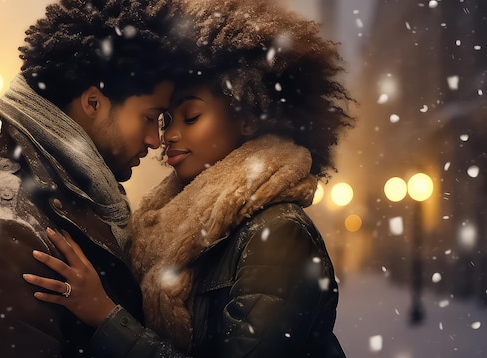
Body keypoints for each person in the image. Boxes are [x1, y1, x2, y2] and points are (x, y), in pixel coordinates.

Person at [23, 0, 355, 356]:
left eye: (191, 116)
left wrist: (106, 317)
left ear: (247, 119)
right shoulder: (170, 227)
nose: (168, 136)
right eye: (165, 119)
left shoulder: (278, 236)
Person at [0, 0, 194, 357]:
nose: (155, 140)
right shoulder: (2, 232)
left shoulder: (75, 199)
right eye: (149, 117)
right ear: (94, 103)